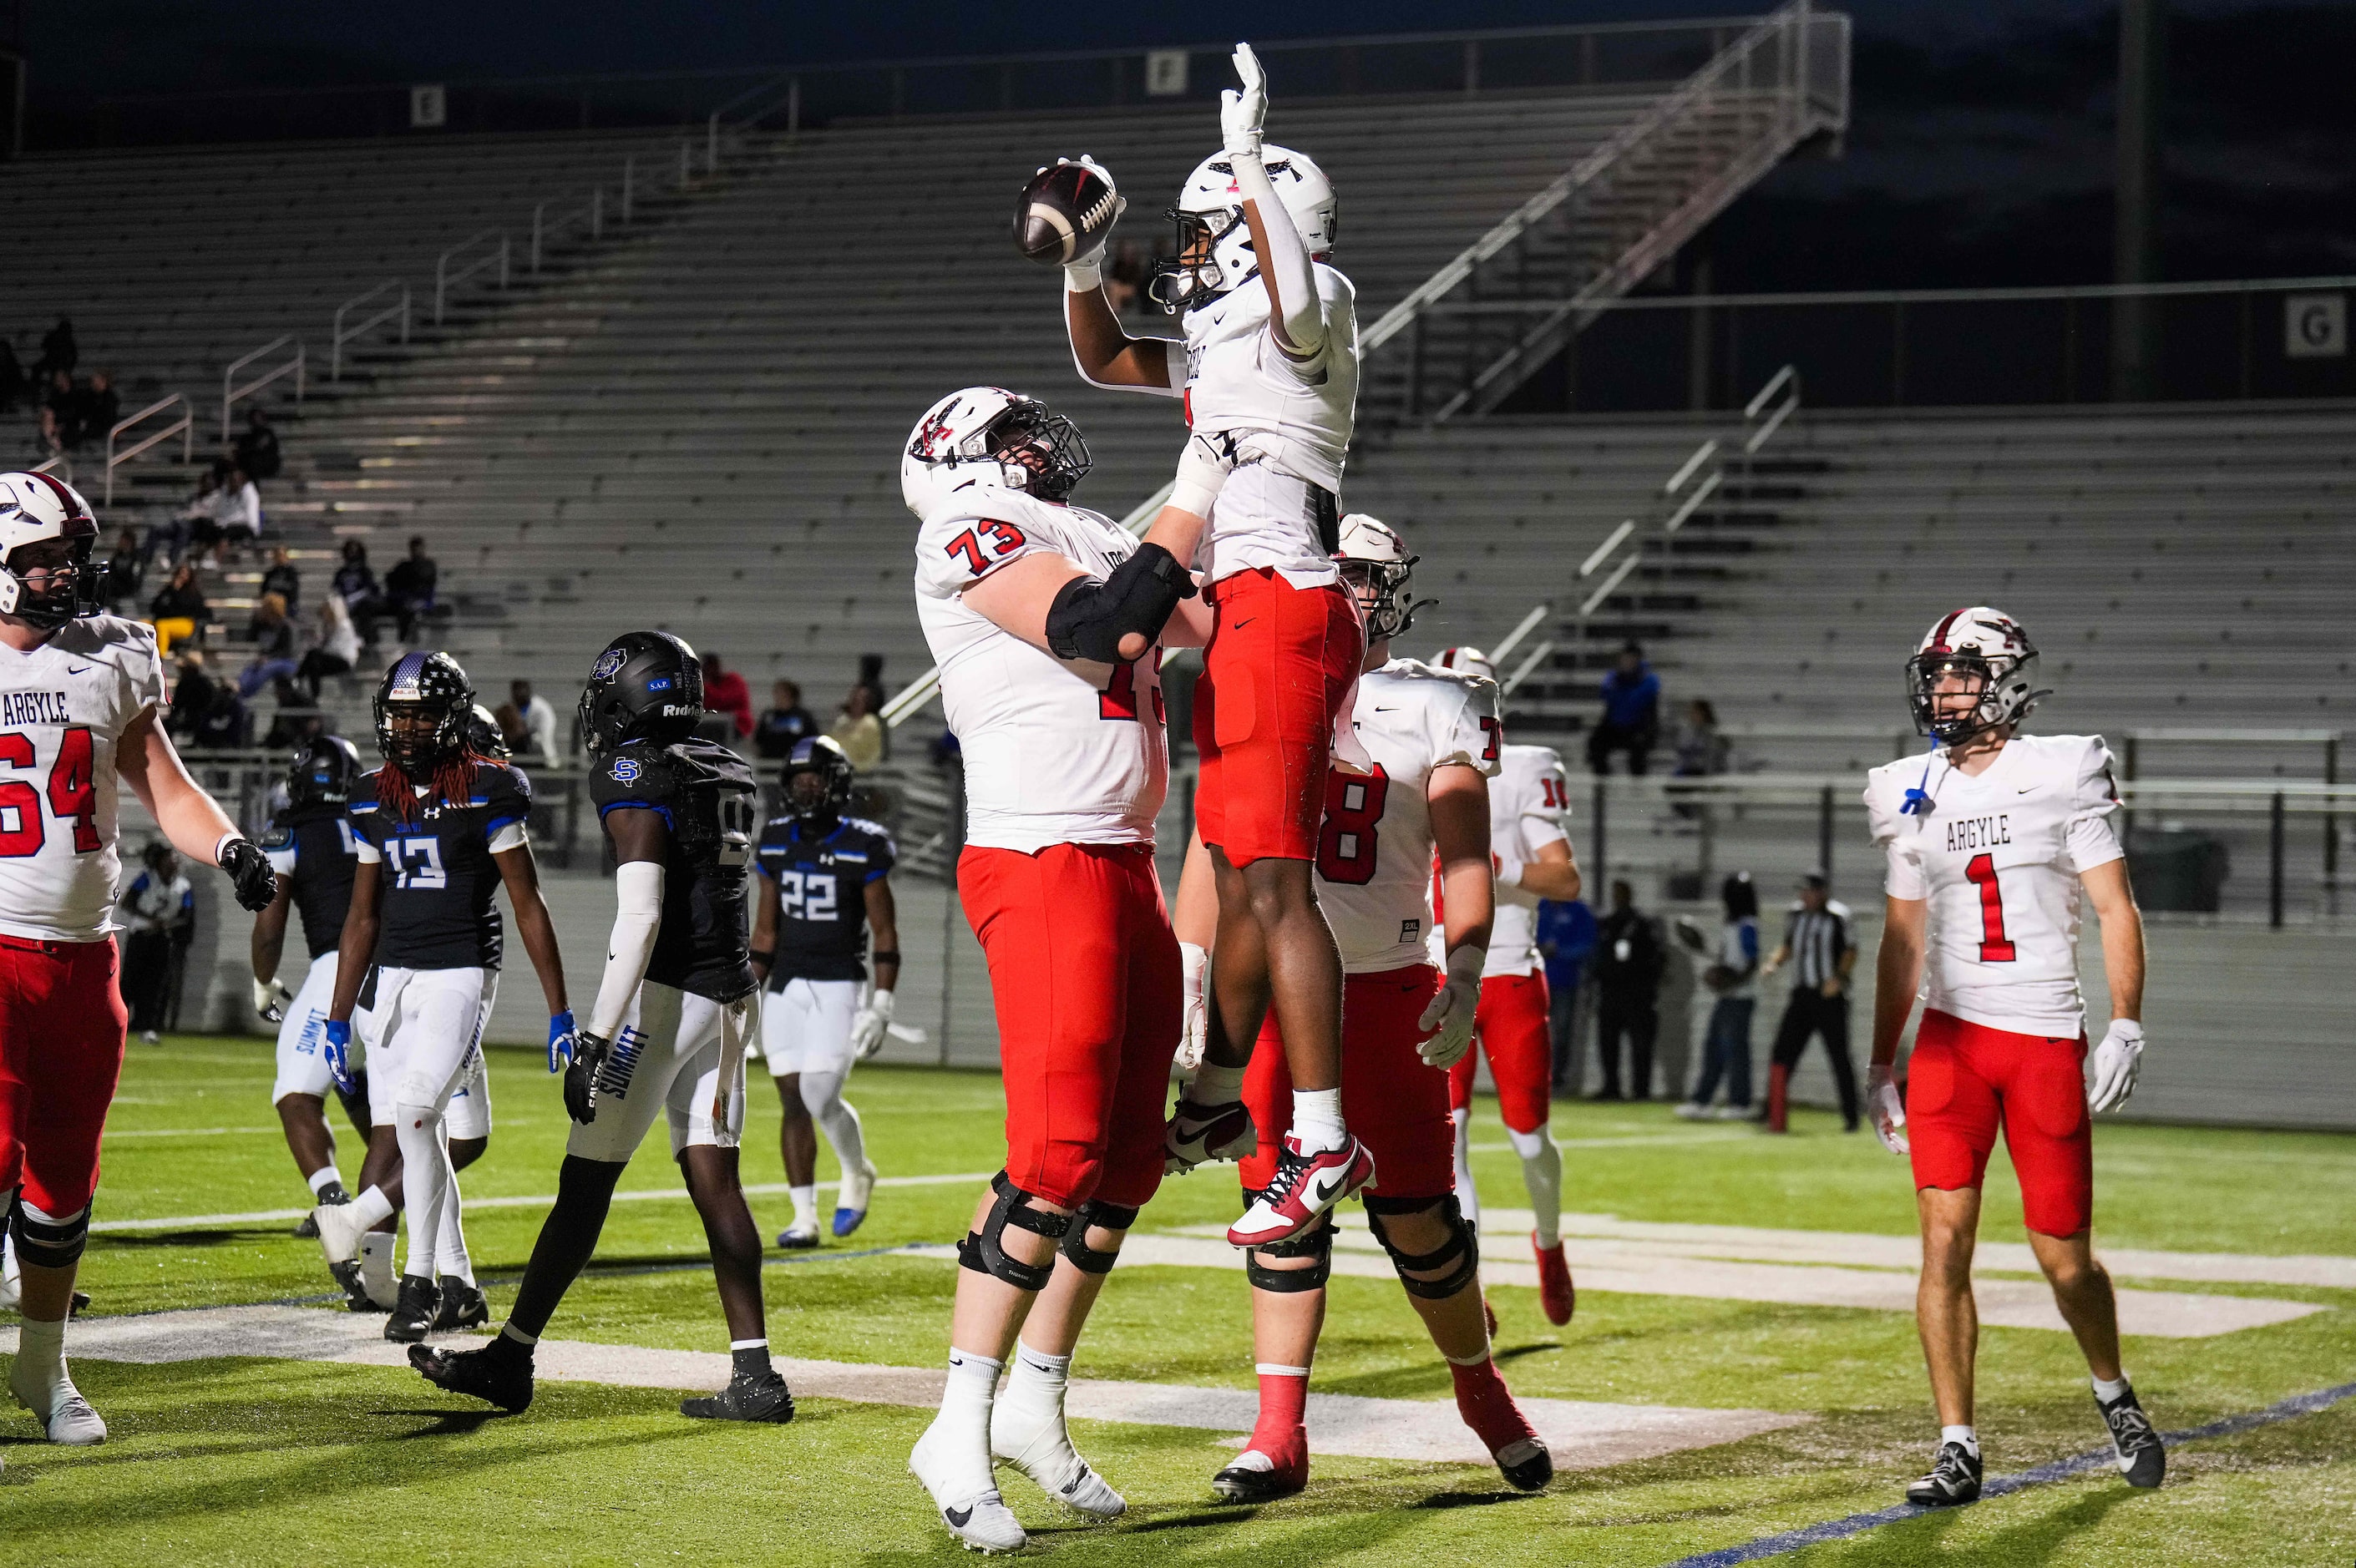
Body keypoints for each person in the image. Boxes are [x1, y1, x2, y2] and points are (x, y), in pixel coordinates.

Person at [1063, 45, 1374, 1250]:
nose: (1187, 255)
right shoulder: (1225, 335)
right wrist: (1088, 254)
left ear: (1259, 226)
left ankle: (1321, 1132)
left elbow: (1296, 297)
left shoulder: (1313, 297)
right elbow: (1098, 357)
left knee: (1275, 881)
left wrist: (1245, 161)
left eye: (1208, 230)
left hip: (1286, 603)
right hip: (1244, 611)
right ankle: (1214, 1096)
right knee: (1241, 868)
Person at [1184, 515, 1552, 1504]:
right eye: (1330, 576)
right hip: (1267, 995)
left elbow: (1466, 856)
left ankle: (1482, 1395)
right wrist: (1193, 971)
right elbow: (1207, 849)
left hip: (1386, 984)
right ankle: (1276, 1434)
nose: (1345, 594)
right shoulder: (1257, 682)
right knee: (1279, 1219)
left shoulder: (1438, 702)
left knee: (1421, 1216)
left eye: (1361, 578)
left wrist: (1466, 972)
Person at [903, 385, 1205, 1551]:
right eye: (1012, 429)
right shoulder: (967, 524)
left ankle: (1035, 1393)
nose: (1043, 441)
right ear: (961, 455)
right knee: (1056, 1154)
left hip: (1124, 858)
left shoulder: (1084, 526)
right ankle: (957, 1418)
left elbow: (1205, 624)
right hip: (1038, 853)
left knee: (1132, 1154)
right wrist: (1200, 480)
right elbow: (1102, 631)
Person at [413, 631, 793, 1422]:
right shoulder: (726, 764)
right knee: (716, 1181)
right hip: (730, 998)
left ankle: (510, 1359)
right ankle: (756, 1374)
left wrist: (593, 1036)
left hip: (667, 998)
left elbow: (643, 917)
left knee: (584, 1183)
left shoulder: (634, 769)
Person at [0, 469, 281, 1446]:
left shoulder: (114, 654)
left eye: (72, 556)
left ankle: (43, 1370)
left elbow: (165, 786)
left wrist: (232, 845)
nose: (64, 573)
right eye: (44, 559)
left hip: (86, 959)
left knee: (63, 1182)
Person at [1863, 605, 2161, 1507]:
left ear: (2002, 678)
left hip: (2039, 1037)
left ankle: (2113, 1392)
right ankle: (1957, 1443)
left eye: (1959, 672)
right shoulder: (1908, 785)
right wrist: (1881, 1062)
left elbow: (2114, 907)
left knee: (2063, 1259)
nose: (1942, 690)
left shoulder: (2062, 769)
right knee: (1941, 1246)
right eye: (1935, 674)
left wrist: (2124, 1020)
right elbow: (1901, 940)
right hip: (1950, 1041)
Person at [309, 650, 570, 1342]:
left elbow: (527, 901)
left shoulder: (489, 787)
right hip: (392, 980)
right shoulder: (370, 794)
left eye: (423, 713)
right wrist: (338, 1018)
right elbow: (362, 916)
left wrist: (559, 1007)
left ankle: (418, 1282)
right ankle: (454, 1283)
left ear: (452, 718)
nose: (409, 727)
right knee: (418, 1128)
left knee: (423, 1114)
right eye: (399, 713)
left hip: (460, 970)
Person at [1430, 645, 1583, 1327]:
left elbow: (1565, 880)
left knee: (1530, 1141)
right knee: (1449, 1141)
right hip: (1435, 973)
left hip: (1511, 972)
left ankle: (1547, 1243)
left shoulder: (1521, 768)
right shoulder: (1406, 765)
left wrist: (1500, 872)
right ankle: (1474, 1284)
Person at [748, 735, 896, 1247]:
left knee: (819, 1093)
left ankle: (857, 1171)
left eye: (815, 779)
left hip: (839, 981)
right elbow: (764, 930)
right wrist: (747, 993)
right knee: (792, 1100)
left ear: (836, 784)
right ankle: (803, 1217)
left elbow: (885, 930)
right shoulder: (775, 839)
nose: (807, 789)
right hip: (786, 983)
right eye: (799, 780)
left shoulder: (864, 842)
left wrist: (883, 1001)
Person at [251, 737, 378, 1227]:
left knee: (297, 1092)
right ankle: (398, 1187)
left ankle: (334, 1203)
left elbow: (270, 927)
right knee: (370, 1093)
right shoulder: (375, 815)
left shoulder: (291, 830)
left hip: (340, 968)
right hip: (405, 968)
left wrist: (263, 980)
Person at [1761, 872, 1859, 1132]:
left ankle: (1852, 1117)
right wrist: (1774, 962)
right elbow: (1788, 945)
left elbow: (1850, 950)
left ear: (1822, 892)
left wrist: (1838, 978)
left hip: (1829, 997)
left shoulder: (1839, 916)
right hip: (1801, 995)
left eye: (1809, 891)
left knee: (1839, 1057)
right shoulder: (1795, 914)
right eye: (1802, 891)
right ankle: (1770, 1111)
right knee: (1783, 1053)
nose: (1804, 896)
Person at [1677, 873, 1762, 1120]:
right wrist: (1718, 974)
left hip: (1741, 997)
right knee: (1713, 1048)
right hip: (1728, 996)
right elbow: (1728, 961)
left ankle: (1741, 1103)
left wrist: (1731, 980)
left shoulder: (1747, 925)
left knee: (1736, 1051)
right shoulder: (1731, 925)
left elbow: (1751, 962)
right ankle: (1702, 1100)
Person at [1588, 880, 1664, 1100]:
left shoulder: (1641, 924)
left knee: (1641, 1044)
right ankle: (1611, 1086)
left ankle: (1641, 1089)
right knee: (1608, 1042)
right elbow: (1599, 956)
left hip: (1637, 993)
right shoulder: (1608, 924)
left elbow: (1653, 959)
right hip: (1611, 991)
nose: (1617, 897)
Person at [117, 843, 195, 1044]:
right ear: (159, 862)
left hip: (162, 938)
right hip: (141, 935)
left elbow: (185, 916)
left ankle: (146, 1026)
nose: (173, 863)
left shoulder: (183, 886)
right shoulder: (147, 879)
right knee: (129, 982)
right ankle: (118, 1023)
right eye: (169, 859)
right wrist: (150, 919)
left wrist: (165, 924)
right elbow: (127, 902)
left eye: (175, 860)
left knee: (154, 985)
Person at [1536, 895, 1598, 1091]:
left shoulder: (1578, 910)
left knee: (1562, 1032)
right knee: (1535, 1032)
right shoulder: (1541, 907)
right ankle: (1534, 1078)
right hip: (1536, 980)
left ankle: (1558, 1079)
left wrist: (1560, 952)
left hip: (1565, 981)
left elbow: (1587, 944)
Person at [1588, 642, 1661, 776]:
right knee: (1595, 742)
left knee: (1639, 748)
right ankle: (1602, 780)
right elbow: (1608, 703)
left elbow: (1651, 713)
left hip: (1638, 727)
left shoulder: (1649, 681)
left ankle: (1637, 785)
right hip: (1616, 726)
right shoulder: (1614, 679)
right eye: (1625, 658)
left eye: (1631, 659)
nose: (1627, 662)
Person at [296, 592, 360, 701]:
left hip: (344, 661)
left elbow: (336, 649)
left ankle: (297, 678)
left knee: (313, 654)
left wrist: (321, 645)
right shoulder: (329, 627)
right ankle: (314, 696)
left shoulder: (344, 625)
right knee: (313, 665)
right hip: (331, 659)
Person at [237, 592, 299, 700]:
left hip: (285, 661)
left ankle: (246, 693)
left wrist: (269, 658)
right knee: (250, 668)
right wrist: (255, 622)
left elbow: (287, 651)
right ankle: (238, 689)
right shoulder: (261, 624)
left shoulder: (286, 627)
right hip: (265, 659)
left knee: (267, 668)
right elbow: (249, 640)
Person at [145, 560, 207, 658]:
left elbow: (183, 609)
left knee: (162, 626)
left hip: (186, 623)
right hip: (165, 620)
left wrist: (176, 591)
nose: (181, 576)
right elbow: (154, 606)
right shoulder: (168, 590)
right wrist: (171, 590)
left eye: (185, 574)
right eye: (180, 573)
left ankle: (159, 657)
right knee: (142, 624)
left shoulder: (192, 593)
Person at [383, 536, 437, 642]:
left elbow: (426, 585)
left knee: (410, 609)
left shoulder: (428, 566)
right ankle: (404, 638)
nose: (416, 551)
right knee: (404, 608)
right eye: (414, 549)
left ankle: (409, 637)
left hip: (422, 600)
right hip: (406, 601)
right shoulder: (404, 566)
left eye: (418, 548)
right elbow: (391, 580)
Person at [825, 680, 884, 771]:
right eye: (853, 699)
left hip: (861, 771)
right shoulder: (841, 721)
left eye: (859, 700)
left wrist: (855, 767)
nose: (855, 703)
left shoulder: (871, 723)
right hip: (839, 768)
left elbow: (873, 753)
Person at [332, 539, 383, 645]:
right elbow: (336, 589)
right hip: (344, 604)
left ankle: (366, 638)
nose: (352, 554)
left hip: (361, 605)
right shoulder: (341, 573)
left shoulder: (365, 572)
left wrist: (353, 599)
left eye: (355, 551)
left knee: (365, 608)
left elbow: (369, 590)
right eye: (350, 551)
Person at [752, 679, 818, 760]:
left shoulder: (803, 716)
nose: (777, 696)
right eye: (776, 693)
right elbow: (758, 739)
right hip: (770, 763)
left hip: (796, 763)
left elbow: (813, 739)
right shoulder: (769, 716)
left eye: (781, 693)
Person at [497, 678, 558, 762]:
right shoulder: (510, 708)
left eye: (522, 690)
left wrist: (523, 734)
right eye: (516, 691)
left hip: (538, 755)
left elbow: (544, 736)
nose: (519, 694)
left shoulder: (541, 710)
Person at [1672, 698, 1728, 777]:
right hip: (1689, 770)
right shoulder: (1687, 731)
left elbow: (1713, 759)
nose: (1691, 715)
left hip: (1707, 771)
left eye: (1694, 712)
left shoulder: (1713, 733)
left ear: (1704, 714)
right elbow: (1682, 752)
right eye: (1691, 712)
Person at [233, 406, 282, 482]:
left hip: (267, 465)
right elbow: (243, 450)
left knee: (253, 463)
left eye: (257, 418)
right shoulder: (247, 437)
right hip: (251, 465)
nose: (255, 420)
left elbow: (272, 450)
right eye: (253, 418)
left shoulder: (268, 434)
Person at [258, 544, 301, 613]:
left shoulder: (292, 572)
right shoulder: (270, 573)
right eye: (277, 555)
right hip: (272, 607)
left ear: (286, 556)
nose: (279, 558)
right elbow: (263, 591)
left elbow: (293, 591)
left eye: (281, 555)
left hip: (288, 606)